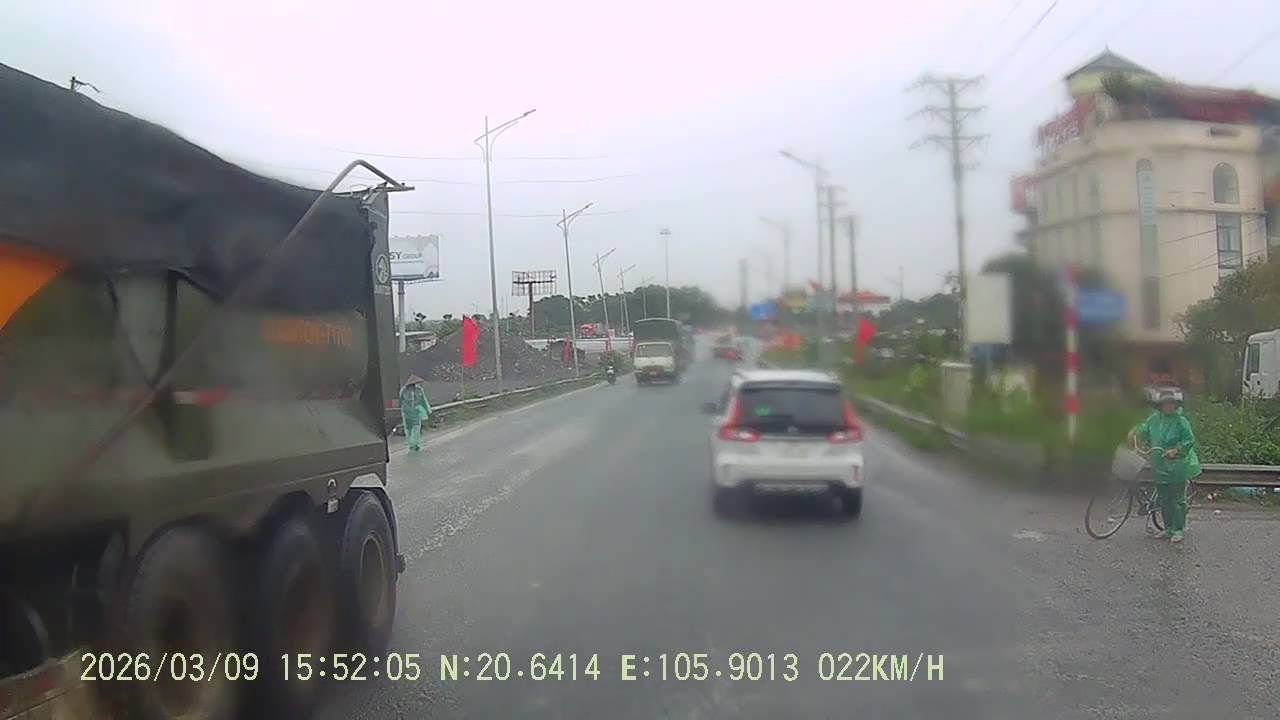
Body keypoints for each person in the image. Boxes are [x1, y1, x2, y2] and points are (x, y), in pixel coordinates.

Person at [1128, 391, 1201, 543]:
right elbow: (1144, 430)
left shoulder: (1181, 421)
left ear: (1175, 405)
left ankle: (1178, 529)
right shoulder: (1154, 419)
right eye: (1165, 404)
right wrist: (1135, 433)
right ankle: (1168, 528)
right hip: (1159, 463)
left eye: (1171, 404)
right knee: (1164, 498)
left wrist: (1176, 450)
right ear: (1160, 406)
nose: (1168, 407)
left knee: (1177, 499)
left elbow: (1189, 440)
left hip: (1177, 464)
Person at [399, 374, 432, 452]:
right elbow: (400, 400)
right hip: (407, 412)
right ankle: (412, 444)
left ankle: (414, 444)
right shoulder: (404, 390)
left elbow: (423, 400)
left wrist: (428, 409)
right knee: (409, 429)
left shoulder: (419, 390)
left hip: (415, 412)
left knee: (415, 428)